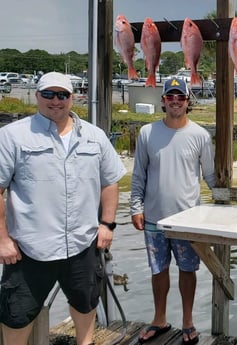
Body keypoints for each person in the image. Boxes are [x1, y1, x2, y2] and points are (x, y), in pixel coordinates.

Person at [0, 71, 126, 345]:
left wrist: (107, 224)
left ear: (72, 98)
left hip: (83, 243)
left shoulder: (95, 136)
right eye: (48, 94)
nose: (55, 101)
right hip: (29, 248)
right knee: (16, 313)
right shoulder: (11, 136)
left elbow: (110, 181)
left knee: (86, 302)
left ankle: (86, 342)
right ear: (37, 96)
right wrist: (3, 239)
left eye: (62, 95)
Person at [130, 77, 215, 344]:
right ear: (163, 101)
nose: (175, 101)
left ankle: (188, 321)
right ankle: (159, 319)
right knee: (158, 270)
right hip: (154, 217)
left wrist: (225, 208)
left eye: (180, 97)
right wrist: (135, 207)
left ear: (188, 101)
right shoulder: (146, 133)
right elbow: (138, 175)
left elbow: (211, 176)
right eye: (170, 97)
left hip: (188, 220)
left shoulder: (201, 135)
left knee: (188, 269)